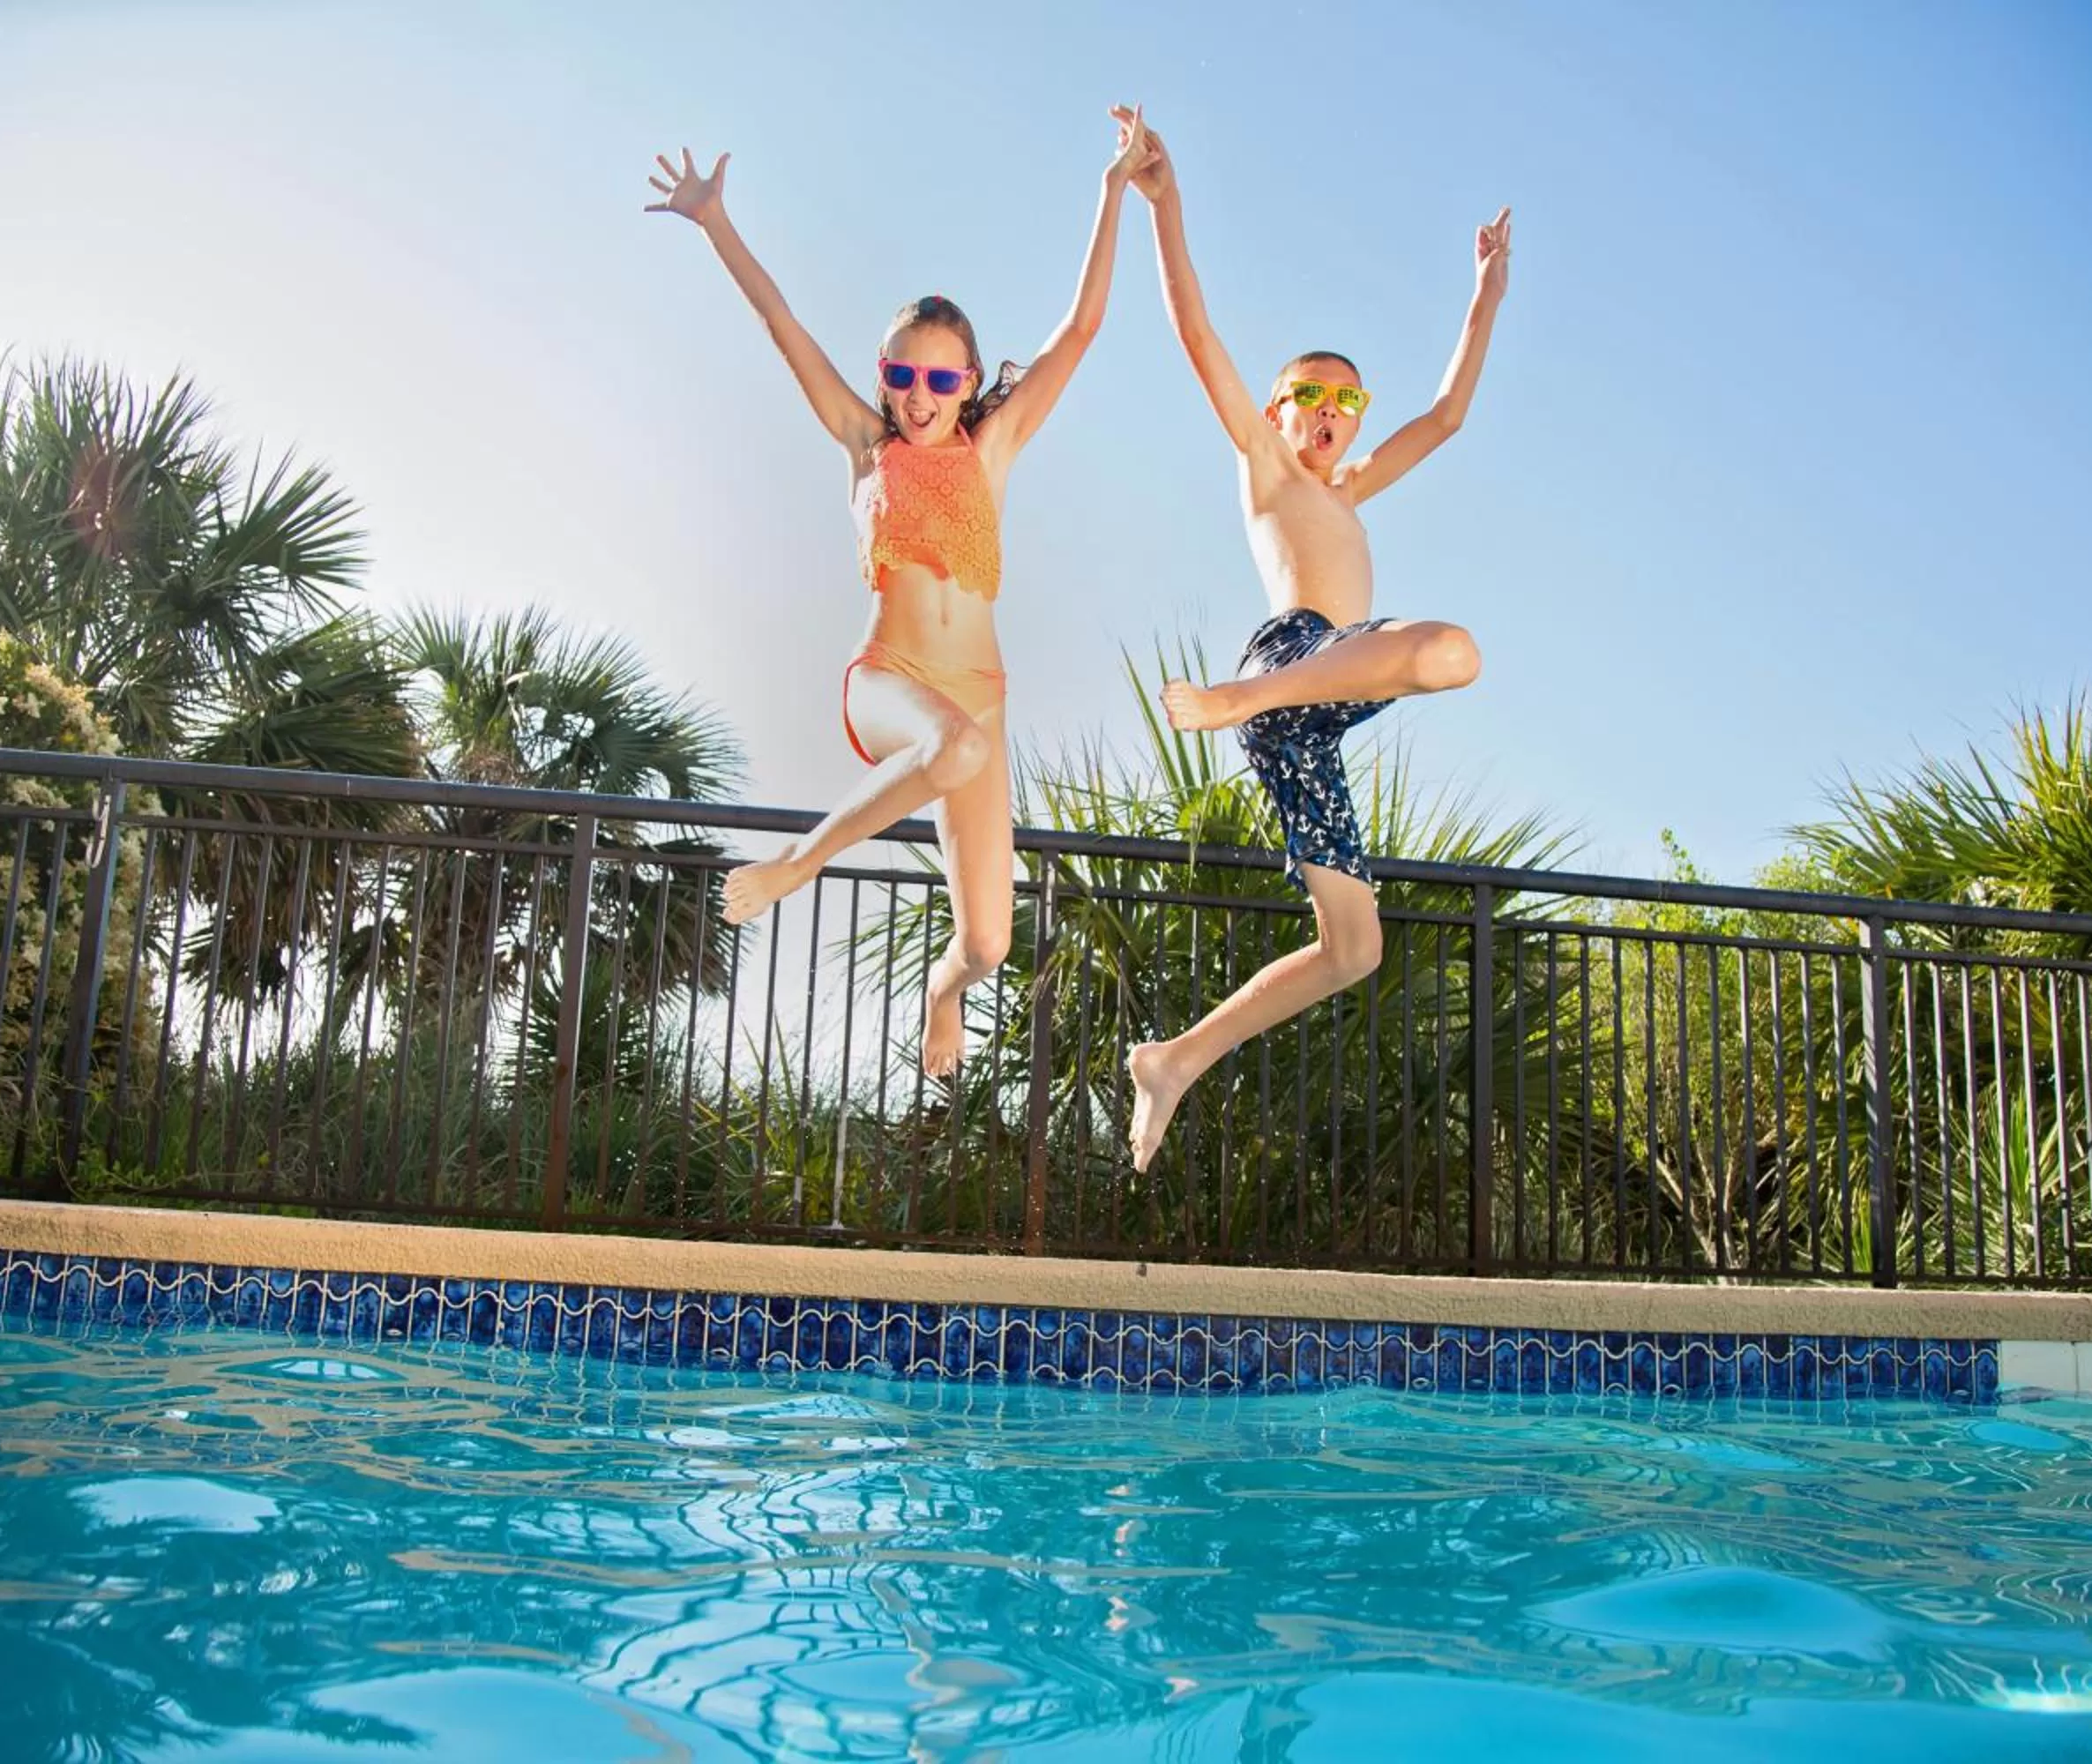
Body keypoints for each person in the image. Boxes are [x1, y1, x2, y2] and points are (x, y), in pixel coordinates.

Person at [645, 114, 1156, 1077]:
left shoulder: (991, 450)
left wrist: (1113, 186)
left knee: (992, 942)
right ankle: (803, 860)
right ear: (883, 381)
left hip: (982, 692)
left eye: (939, 376)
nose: (918, 393)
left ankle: (941, 989)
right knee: (949, 747)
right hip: (886, 677)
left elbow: (1081, 329)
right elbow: (781, 323)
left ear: (967, 383)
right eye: (901, 374)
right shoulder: (863, 443)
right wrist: (717, 222)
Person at [1114, 111, 1513, 1170]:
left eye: (1347, 401)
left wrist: (1485, 296)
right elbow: (1197, 334)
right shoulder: (1269, 468)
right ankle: (1245, 699)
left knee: (1356, 949)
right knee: (1447, 649)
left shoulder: (1355, 485)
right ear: (1279, 413)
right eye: (1311, 399)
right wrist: (1168, 205)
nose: (1331, 416)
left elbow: (1448, 415)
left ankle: (1174, 1060)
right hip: (1287, 663)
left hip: (1306, 724)